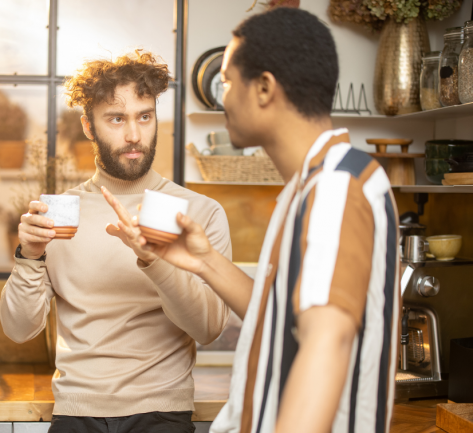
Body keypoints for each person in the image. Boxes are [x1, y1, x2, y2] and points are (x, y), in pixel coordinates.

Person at [109, 8, 400, 433]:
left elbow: (327, 342)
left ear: (264, 88)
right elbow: (281, 317)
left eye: (226, 82)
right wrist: (202, 260)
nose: (220, 97)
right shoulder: (310, 187)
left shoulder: (336, 188)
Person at [0, 51, 232, 433]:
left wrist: (154, 260)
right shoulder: (59, 213)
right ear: (89, 127)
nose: (134, 135)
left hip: (162, 414)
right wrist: (29, 256)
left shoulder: (199, 212)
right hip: (75, 414)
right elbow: (19, 329)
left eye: (145, 116)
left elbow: (208, 328)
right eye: (116, 119)